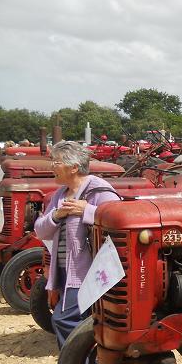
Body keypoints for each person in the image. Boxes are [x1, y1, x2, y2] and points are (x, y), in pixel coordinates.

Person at [33, 141, 119, 348]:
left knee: (64, 319)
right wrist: (56, 214)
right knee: (74, 320)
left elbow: (118, 221)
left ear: (74, 167)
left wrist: (89, 211)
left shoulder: (99, 190)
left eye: (57, 162)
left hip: (86, 272)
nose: (52, 166)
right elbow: (40, 230)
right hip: (63, 269)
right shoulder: (60, 195)